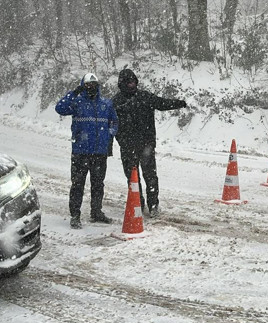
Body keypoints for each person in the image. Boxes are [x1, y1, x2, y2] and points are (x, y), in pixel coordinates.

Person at [111, 69, 187, 218]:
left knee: (150, 177)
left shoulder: (144, 96)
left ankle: (153, 206)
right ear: (122, 84)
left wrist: (179, 103)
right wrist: (120, 140)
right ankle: (137, 203)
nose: (132, 84)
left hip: (146, 145)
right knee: (133, 179)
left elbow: (162, 103)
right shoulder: (116, 102)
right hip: (128, 146)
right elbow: (111, 124)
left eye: (133, 81)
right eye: (129, 82)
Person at [55, 73, 119, 229]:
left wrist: (109, 134)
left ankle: (96, 212)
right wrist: (73, 93)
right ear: (83, 86)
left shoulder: (106, 103)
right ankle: (75, 215)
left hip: (100, 152)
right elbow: (60, 108)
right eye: (88, 85)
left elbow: (114, 121)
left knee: (98, 184)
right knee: (77, 185)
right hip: (80, 151)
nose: (91, 88)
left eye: (94, 85)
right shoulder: (77, 102)